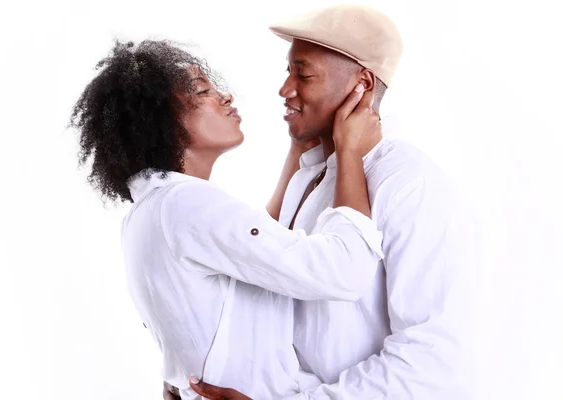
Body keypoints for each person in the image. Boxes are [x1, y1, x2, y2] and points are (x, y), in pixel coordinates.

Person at [69, 39, 386, 399]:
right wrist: (350, 152)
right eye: (203, 91)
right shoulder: (186, 205)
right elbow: (344, 272)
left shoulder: (150, 211)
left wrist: (298, 149)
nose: (226, 97)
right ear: (159, 119)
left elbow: (259, 251)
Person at [188, 5, 475, 400]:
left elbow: (432, 362)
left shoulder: (409, 183)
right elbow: (263, 296)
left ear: (363, 84)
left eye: (302, 74)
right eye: (288, 71)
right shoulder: (310, 174)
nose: (285, 89)